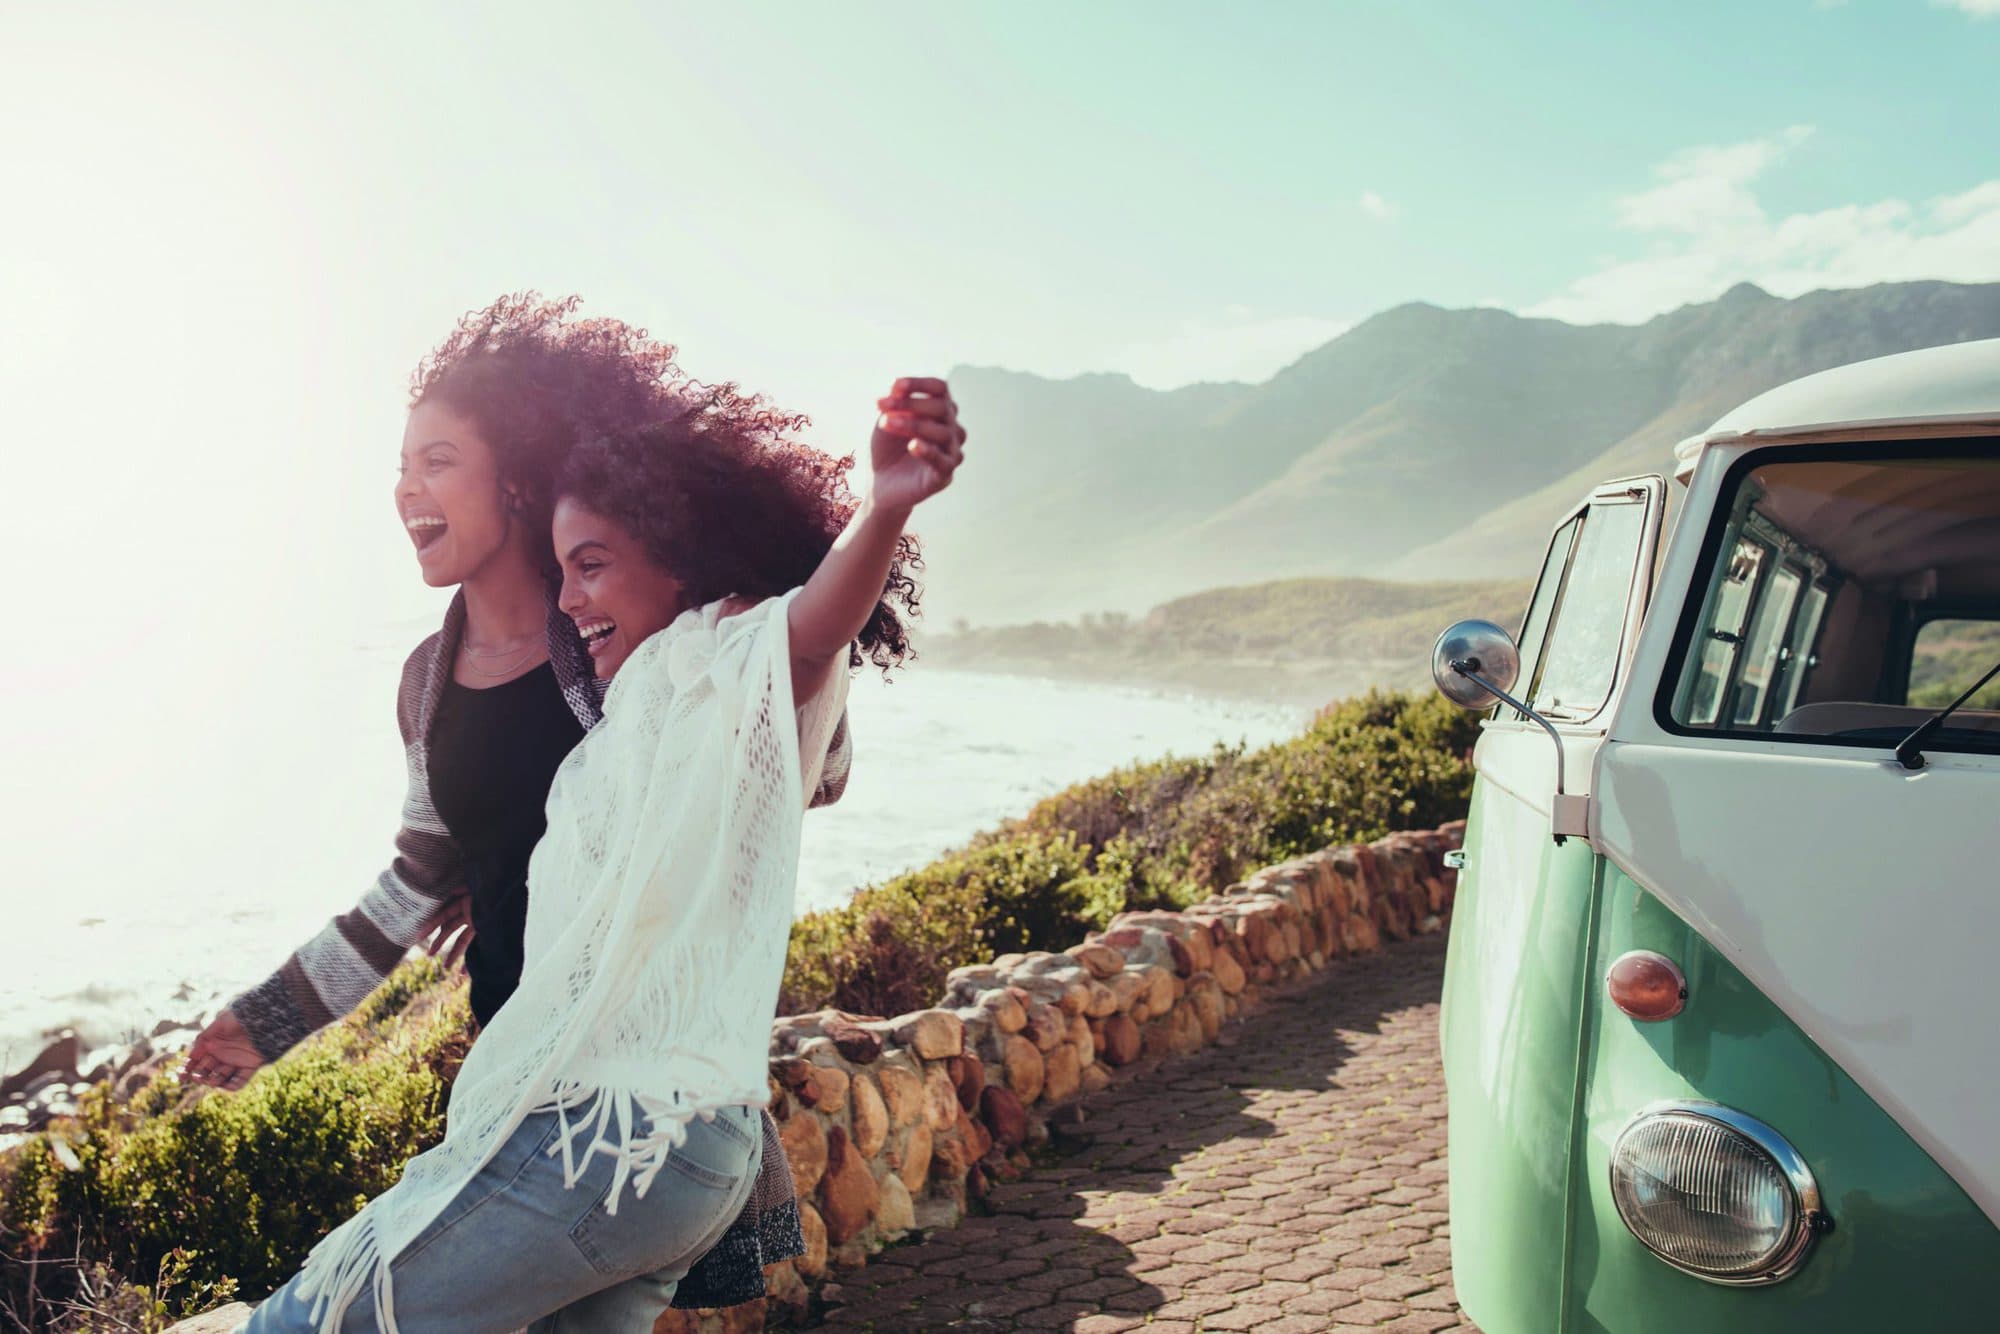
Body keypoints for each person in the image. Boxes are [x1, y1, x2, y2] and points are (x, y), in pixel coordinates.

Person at [242, 375, 962, 1331]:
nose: (570, 596)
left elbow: (813, 630)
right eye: (563, 568)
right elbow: (446, 862)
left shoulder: (719, 656)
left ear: (681, 564)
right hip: (648, 1147)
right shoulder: (610, 703)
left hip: (610, 1140)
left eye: (591, 566)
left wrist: (882, 507)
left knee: (305, 1324)